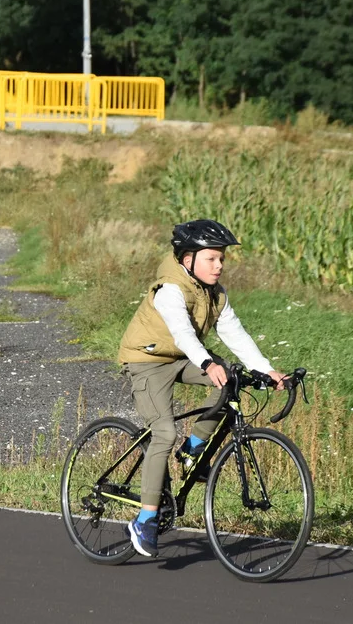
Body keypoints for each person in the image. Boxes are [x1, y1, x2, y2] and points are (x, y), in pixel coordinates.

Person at [119, 219, 286, 558]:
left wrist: (267, 370)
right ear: (188, 259)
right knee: (163, 433)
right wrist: (208, 364)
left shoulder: (215, 295)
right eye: (212, 258)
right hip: (147, 360)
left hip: (182, 357)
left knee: (232, 378)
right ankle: (145, 519)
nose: (220, 265)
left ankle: (193, 447)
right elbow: (182, 333)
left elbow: (235, 334)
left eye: (222, 258)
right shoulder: (170, 290)